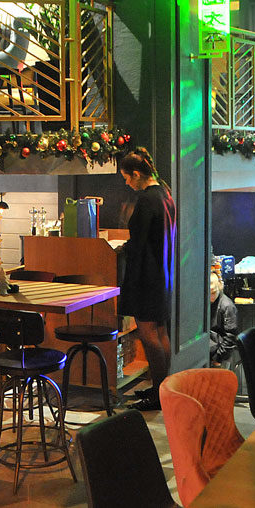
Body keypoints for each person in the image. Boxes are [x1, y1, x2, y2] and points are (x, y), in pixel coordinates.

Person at [117, 147, 176, 411]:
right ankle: (162, 389)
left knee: (148, 333)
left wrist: (123, 248)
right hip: (163, 273)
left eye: (127, 178)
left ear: (137, 174)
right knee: (160, 332)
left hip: (147, 275)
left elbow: (138, 241)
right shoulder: (165, 194)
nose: (127, 184)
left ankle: (158, 395)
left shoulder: (147, 200)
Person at [209, 269, 238, 367]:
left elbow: (231, 337)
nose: (211, 297)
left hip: (220, 356)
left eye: (213, 293)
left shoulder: (227, 306)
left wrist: (218, 358)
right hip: (211, 352)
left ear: (220, 287)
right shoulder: (207, 302)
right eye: (209, 293)